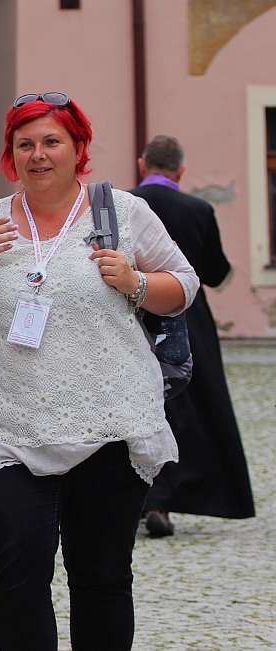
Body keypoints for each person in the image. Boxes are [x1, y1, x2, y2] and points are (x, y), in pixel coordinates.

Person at [0, 93, 199, 650]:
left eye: (52, 142)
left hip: (109, 426)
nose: (38, 155)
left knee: (101, 579)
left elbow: (183, 286)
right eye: (26, 144)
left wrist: (136, 282)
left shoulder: (121, 213)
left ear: (78, 149)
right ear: (11, 154)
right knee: (16, 576)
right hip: (10, 431)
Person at [130, 134, 255, 537]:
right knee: (188, 406)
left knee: (134, 401)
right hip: (187, 315)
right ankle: (169, 499)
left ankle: (139, 497)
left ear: (141, 164)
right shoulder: (197, 208)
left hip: (132, 310)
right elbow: (214, 273)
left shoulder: (123, 204)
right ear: (180, 171)